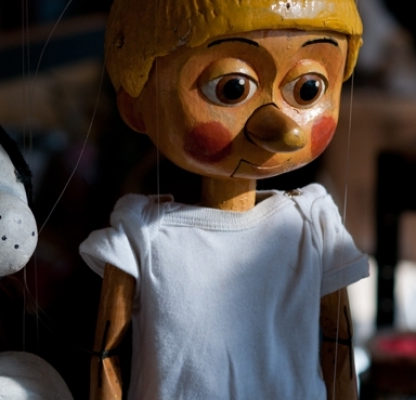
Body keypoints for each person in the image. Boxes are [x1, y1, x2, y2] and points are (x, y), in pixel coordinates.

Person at [79, 0, 369, 399]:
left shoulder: (313, 223)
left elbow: (339, 344)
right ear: (136, 105)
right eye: (232, 88)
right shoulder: (142, 234)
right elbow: (105, 354)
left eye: (308, 89)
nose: (286, 130)